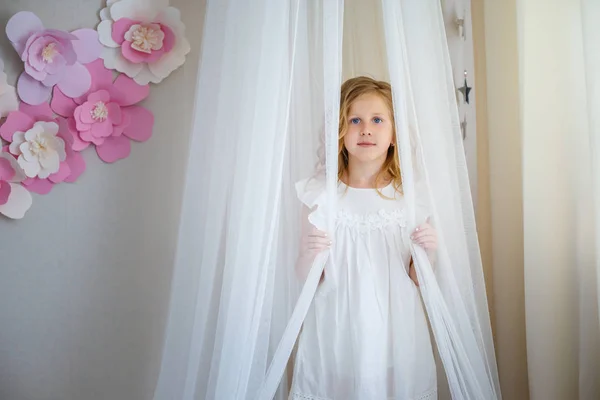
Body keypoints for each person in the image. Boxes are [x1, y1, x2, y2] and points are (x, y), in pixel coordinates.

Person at [289, 76, 439, 400]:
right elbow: (306, 279)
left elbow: (418, 277)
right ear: (340, 132)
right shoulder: (320, 195)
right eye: (354, 120)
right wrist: (307, 257)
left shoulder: (411, 197)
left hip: (395, 327)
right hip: (338, 325)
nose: (366, 129)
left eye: (377, 120)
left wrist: (428, 252)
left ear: (394, 133)